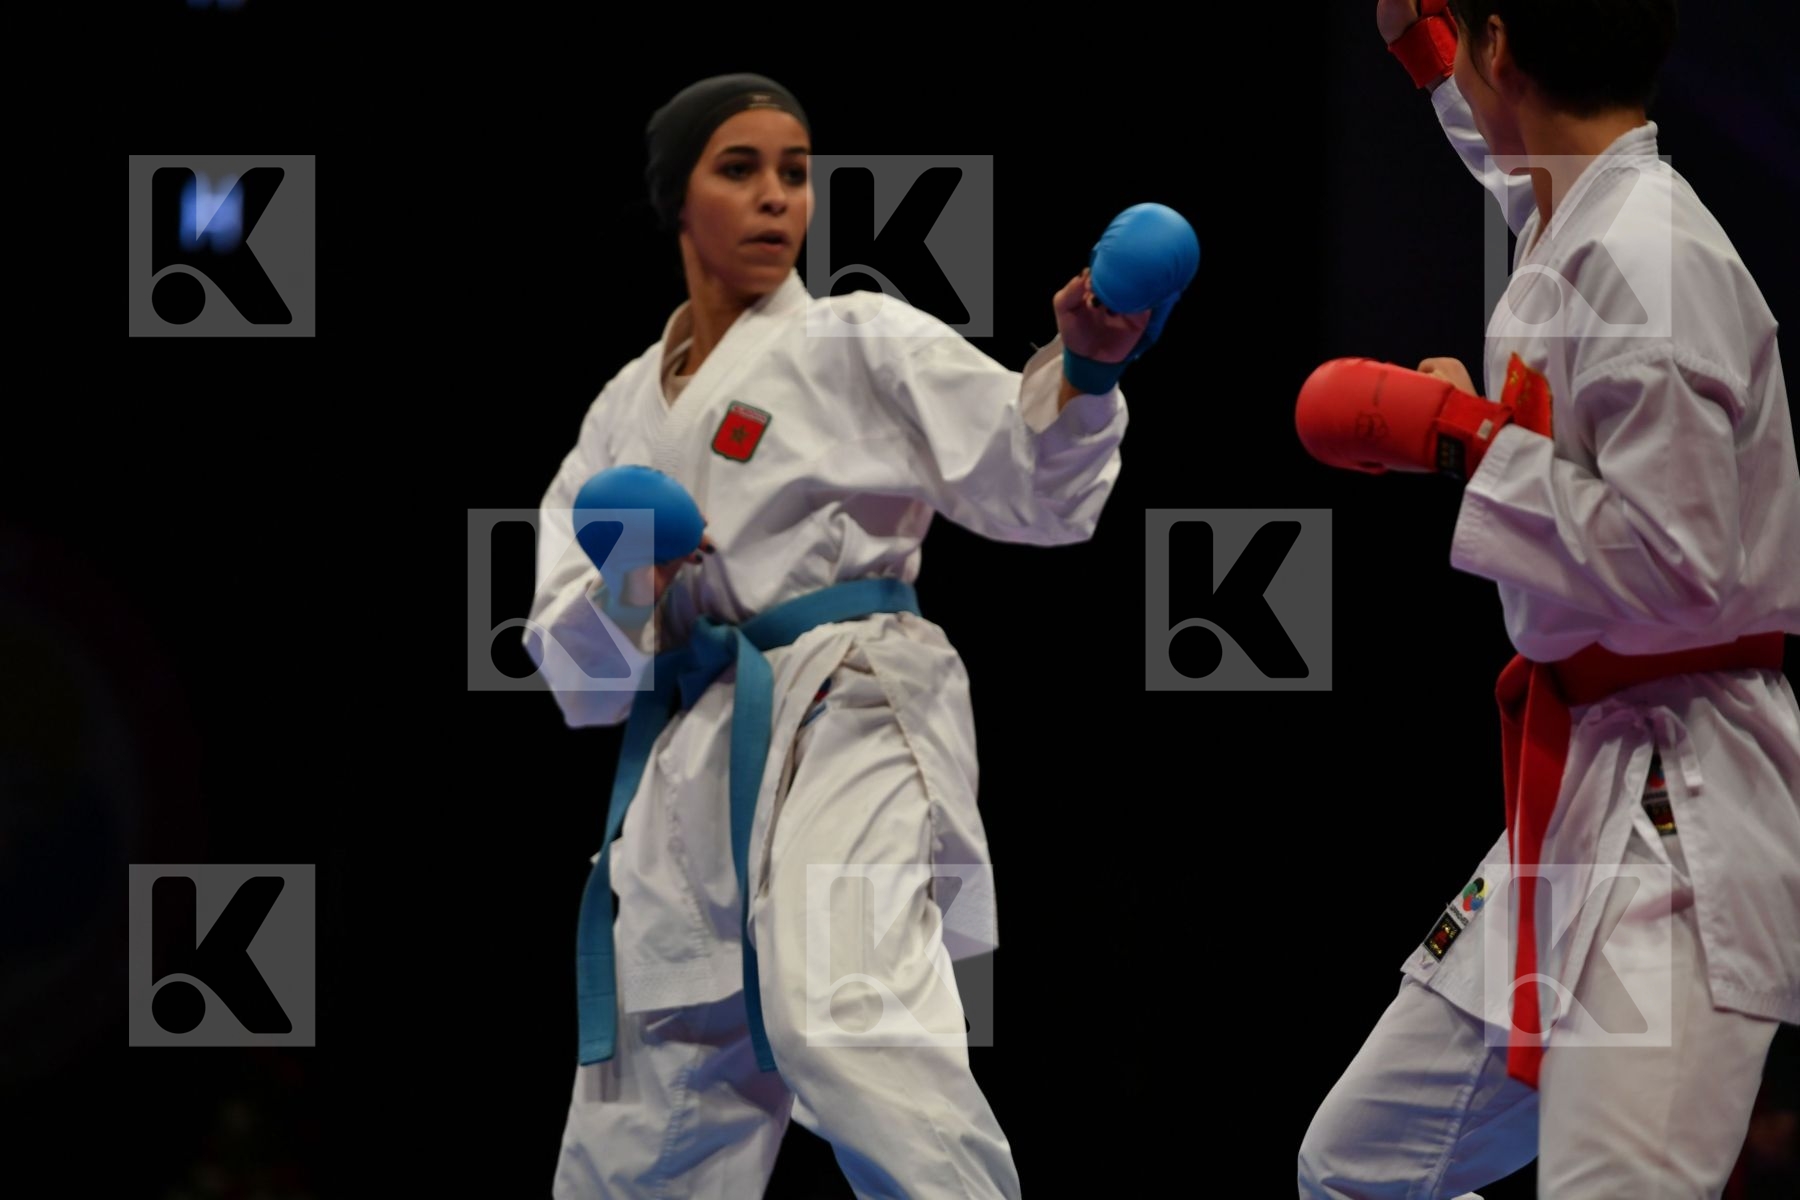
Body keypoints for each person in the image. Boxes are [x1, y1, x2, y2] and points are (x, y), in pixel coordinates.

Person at [524, 74, 1155, 1198]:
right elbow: (576, 678)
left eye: (796, 174)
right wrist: (635, 578)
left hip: (847, 704)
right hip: (685, 765)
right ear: (678, 202)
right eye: (740, 170)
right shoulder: (619, 415)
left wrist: (1089, 371)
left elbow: (1033, 486)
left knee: (847, 1024)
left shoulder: (854, 337)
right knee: (638, 1134)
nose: (776, 199)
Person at [1296, 3, 1800, 1197]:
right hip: (1586, 798)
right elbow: (1514, 164)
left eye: (1464, 34)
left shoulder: (1650, 260)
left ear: (1508, 50)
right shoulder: (1588, 204)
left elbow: (1686, 570)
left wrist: (1468, 443)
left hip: (1683, 818)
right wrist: (1428, 53)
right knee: (1359, 1168)